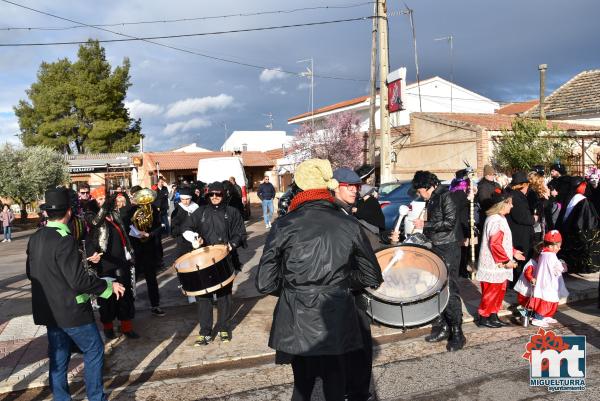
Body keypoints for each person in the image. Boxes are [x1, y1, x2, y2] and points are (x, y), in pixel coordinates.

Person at [256, 159, 383, 401]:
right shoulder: (348, 223)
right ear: (328, 187)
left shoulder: (283, 224)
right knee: (335, 384)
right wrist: (341, 282)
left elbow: (265, 283)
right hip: (336, 312)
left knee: (302, 387)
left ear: (300, 188)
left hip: (296, 314)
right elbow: (372, 276)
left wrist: (297, 288)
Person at [26, 187, 125, 401]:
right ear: (69, 212)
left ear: (46, 213)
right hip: (70, 310)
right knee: (94, 349)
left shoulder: (36, 237)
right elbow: (78, 280)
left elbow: (30, 272)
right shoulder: (64, 239)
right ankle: (96, 397)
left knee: (59, 356)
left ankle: (61, 398)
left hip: (49, 311)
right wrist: (108, 287)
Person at [331, 167, 382, 401]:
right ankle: (355, 392)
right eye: (348, 186)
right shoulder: (336, 216)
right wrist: (362, 278)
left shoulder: (344, 213)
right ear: (335, 186)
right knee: (356, 347)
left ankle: (353, 390)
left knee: (355, 346)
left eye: (356, 186)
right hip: (345, 291)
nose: (354, 190)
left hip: (346, 290)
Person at [182, 181, 246, 345]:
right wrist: (195, 239)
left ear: (223, 195)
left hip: (225, 259)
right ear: (207, 195)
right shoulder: (200, 212)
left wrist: (232, 244)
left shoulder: (232, 212)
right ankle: (205, 332)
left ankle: (224, 328)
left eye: (218, 194)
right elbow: (186, 228)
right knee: (204, 297)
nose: (215, 197)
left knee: (225, 297)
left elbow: (240, 232)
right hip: (204, 262)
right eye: (212, 194)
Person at [411, 170, 465, 352]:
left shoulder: (445, 196)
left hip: (448, 247)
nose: (420, 194)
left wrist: (424, 225)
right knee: (436, 288)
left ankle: (457, 332)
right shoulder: (433, 198)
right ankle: (443, 326)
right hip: (436, 245)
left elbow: (450, 222)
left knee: (449, 289)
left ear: (428, 186)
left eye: (420, 191)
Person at [85, 187, 138, 340]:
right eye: (99, 199)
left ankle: (127, 327)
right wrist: (106, 205)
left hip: (121, 259)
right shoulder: (90, 214)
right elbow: (96, 222)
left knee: (125, 293)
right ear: (94, 201)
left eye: (104, 198)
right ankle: (108, 328)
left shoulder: (114, 213)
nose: (102, 201)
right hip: (105, 261)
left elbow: (124, 231)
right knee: (106, 296)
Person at [475, 190, 525, 328]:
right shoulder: (495, 220)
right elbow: (495, 244)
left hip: (498, 265)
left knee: (498, 291)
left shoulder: (500, 218)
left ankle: (493, 315)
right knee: (491, 292)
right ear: (503, 204)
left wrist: (513, 252)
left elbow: (503, 242)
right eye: (510, 204)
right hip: (494, 264)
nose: (512, 206)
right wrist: (506, 261)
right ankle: (484, 318)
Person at [513, 230, 569, 327]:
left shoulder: (545, 255)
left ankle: (542, 316)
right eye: (558, 246)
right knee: (538, 303)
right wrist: (562, 266)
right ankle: (534, 317)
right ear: (550, 246)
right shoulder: (546, 257)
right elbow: (528, 273)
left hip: (539, 286)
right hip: (526, 291)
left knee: (547, 301)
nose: (560, 248)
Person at [128, 186, 166, 317]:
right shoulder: (131, 210)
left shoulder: (153, 209)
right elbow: (127, 228)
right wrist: (137, 234)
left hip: (149, 248)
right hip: (135, 249)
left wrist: (150, 234)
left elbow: (159, 227)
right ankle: (129, 306)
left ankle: (155, 305)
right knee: (132, 280)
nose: (143, 199)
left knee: (152, 279)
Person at [555, 176, 600, 273]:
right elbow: (587, 220)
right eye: (583, 186)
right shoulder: (582, 201)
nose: (585, 188)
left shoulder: (569, 197)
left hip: (569, 231)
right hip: (580, 232)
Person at [506, 171, 535, 286]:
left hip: (518, 232)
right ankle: (517, 284)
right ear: (523, 185)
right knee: (520, 258)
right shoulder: (517, 197)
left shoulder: (515, 195)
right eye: (527, 185)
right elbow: (521, 217)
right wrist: (533, 219)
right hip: (520, 233)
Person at [170, 186, 198, 258]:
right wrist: (183, 229)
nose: (185, 201)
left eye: (187, 199)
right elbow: (174, 231)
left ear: (191, 198)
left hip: (197, 239)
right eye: (182, 199)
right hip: (183, 242)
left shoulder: (196, 207)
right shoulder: (177, 211)